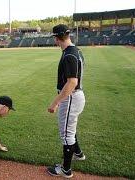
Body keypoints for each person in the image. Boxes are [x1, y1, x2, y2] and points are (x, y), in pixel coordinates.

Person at [47, 24, 86, 178]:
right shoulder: (75, 50)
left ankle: (66, 170)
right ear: (68, 35)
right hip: (75, 96)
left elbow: (72, 83)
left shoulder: (69, 54)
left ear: (56, 38)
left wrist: (55, 102)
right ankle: (78, 153)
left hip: (70, 97)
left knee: (66, 133)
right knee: (71, 129)